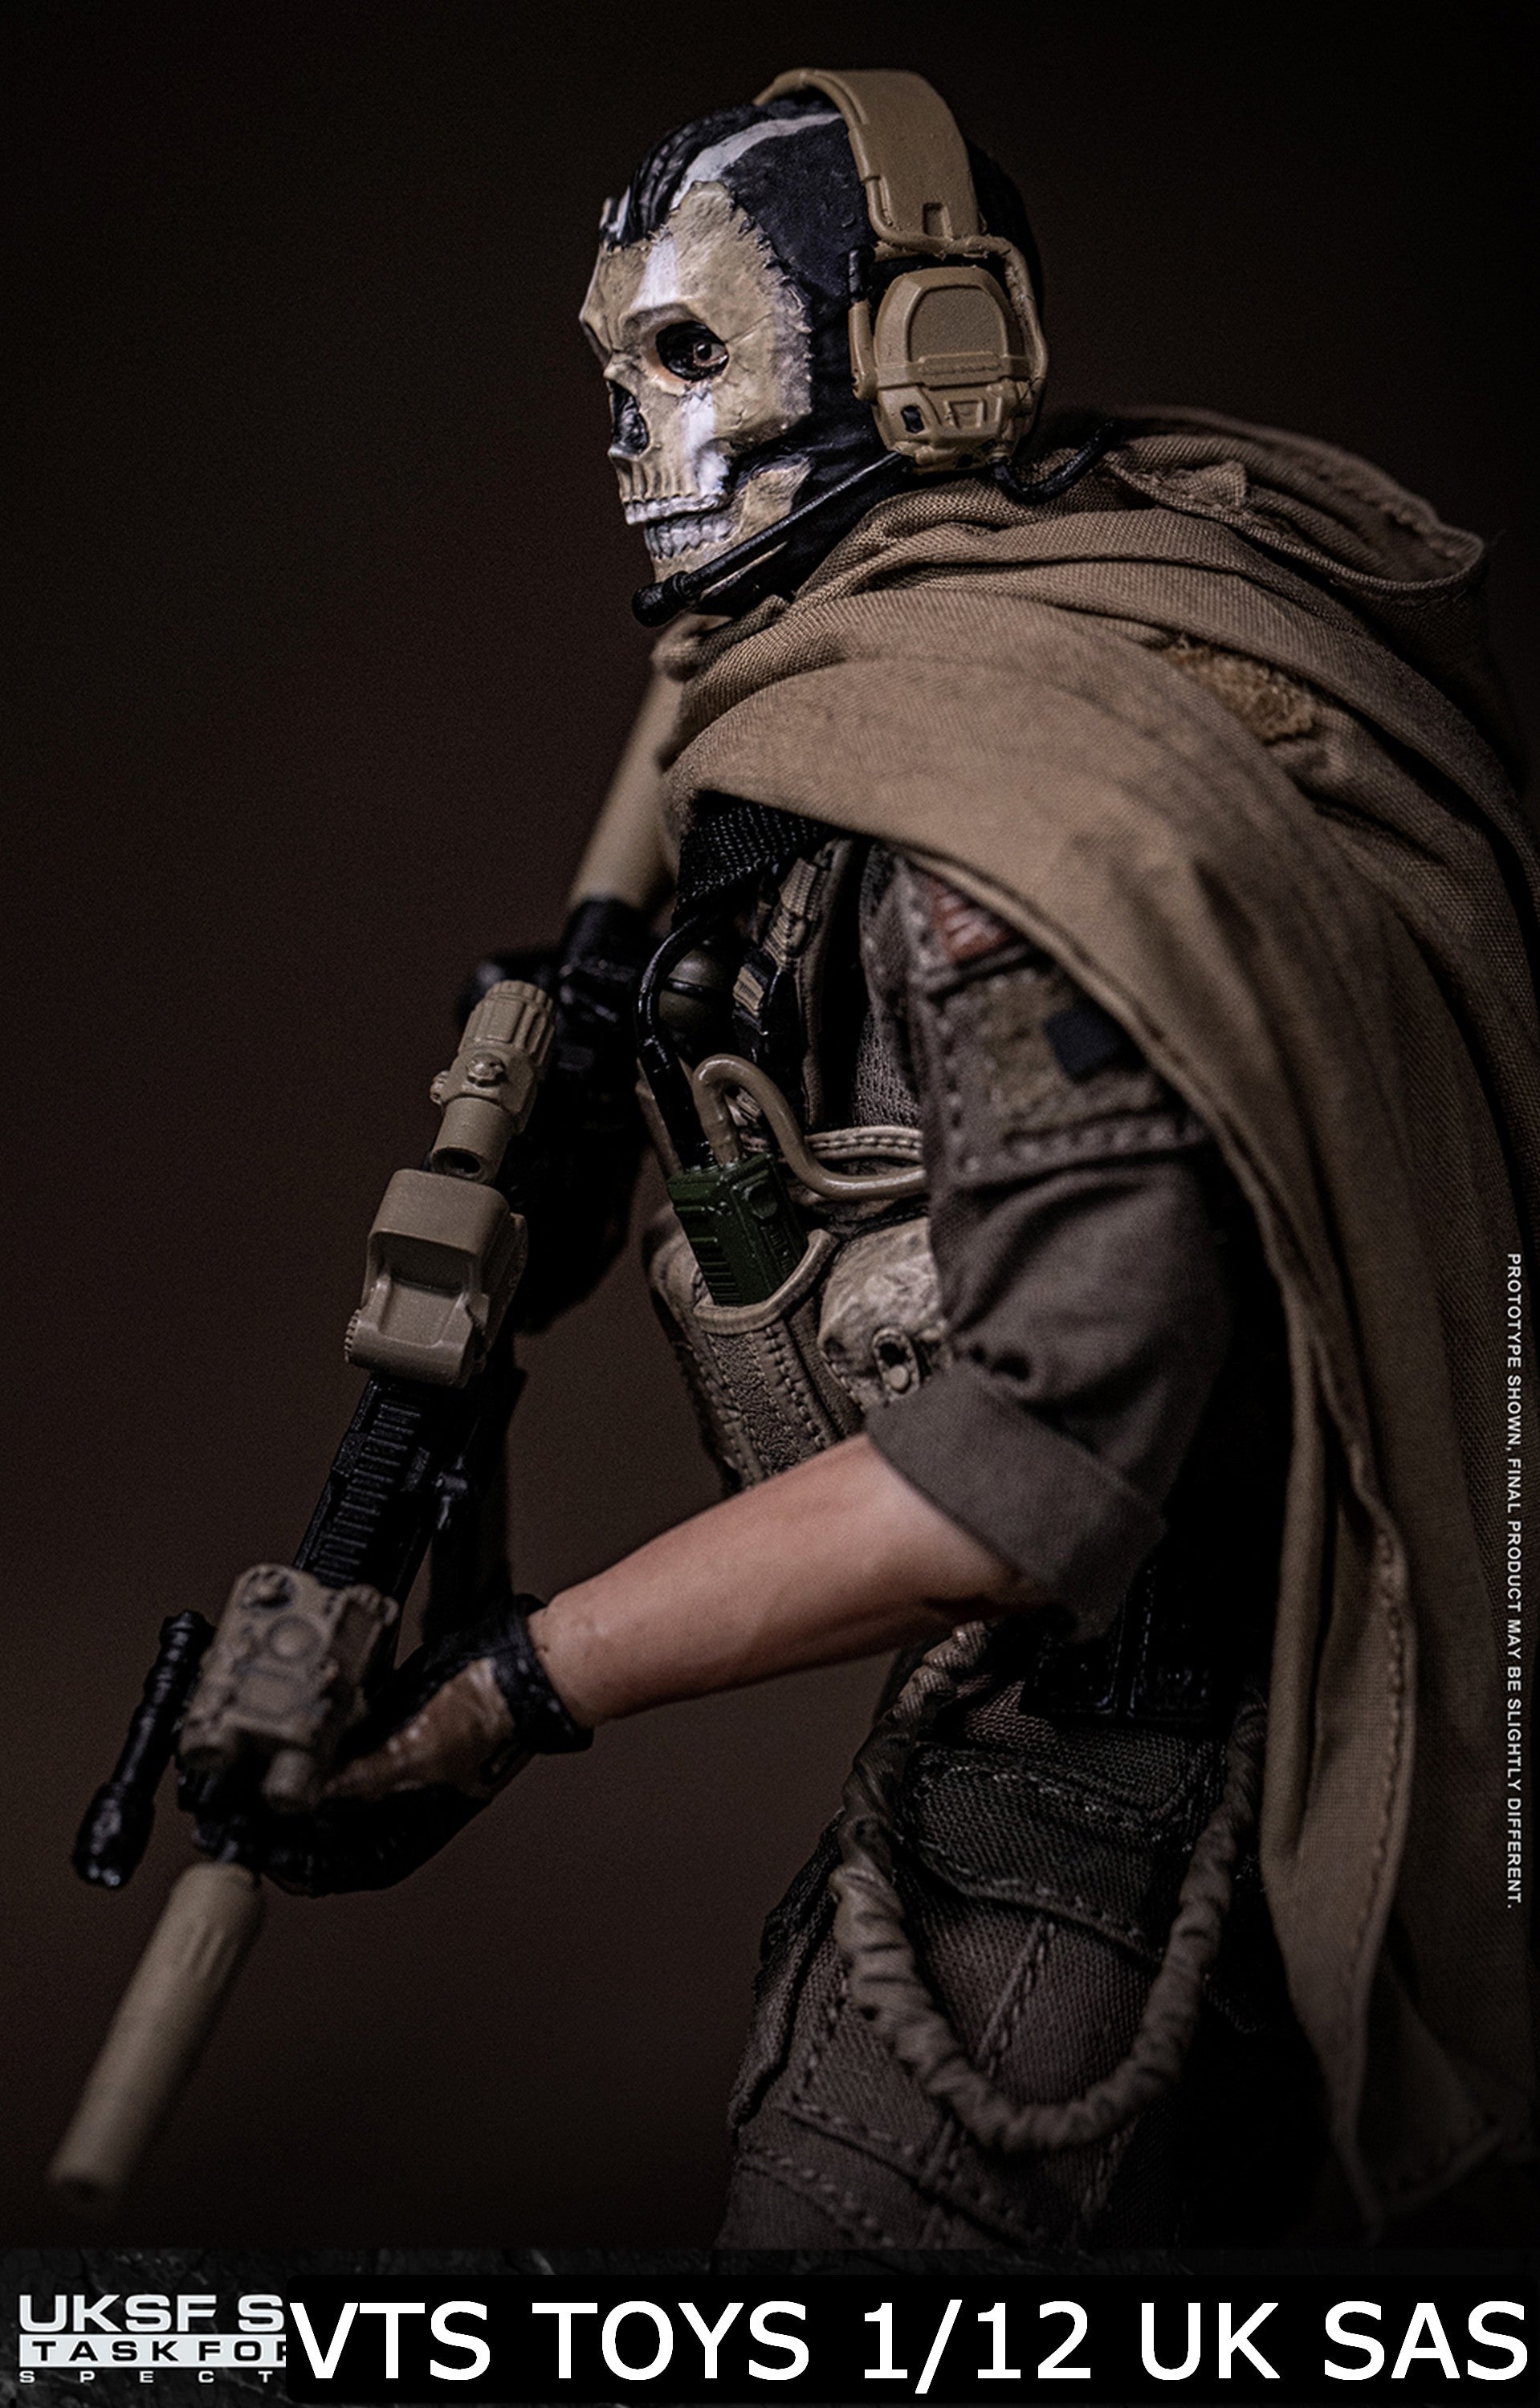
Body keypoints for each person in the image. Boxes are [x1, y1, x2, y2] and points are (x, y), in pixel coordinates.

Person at [246, 71, 1538, 2246]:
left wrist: (506, 1693)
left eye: (690, 352)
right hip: (1145, 1743)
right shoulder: (964, 661)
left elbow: (1041, 1459)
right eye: (615, 368)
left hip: (1150, 1786)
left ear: (927, 349)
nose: (630, 430)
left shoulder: (1014, 805)